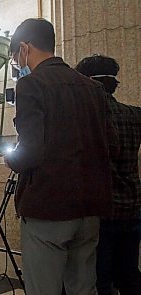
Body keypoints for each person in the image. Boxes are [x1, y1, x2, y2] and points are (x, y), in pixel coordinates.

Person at [2, 19, 118, 295]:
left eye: (16, 58)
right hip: (90, 206)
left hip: (48, 206)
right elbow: (110, 143)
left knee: (44, 289)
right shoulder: (92, 88)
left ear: (24, 48)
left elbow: (30, 150)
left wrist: (11, 158)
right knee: (83, 288)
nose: (17, 64)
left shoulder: (31, 84)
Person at [76, 55, 141, 295]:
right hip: (132, 207)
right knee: (130, 276)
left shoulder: (86, 120)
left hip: (99, 212)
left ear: (88, 82)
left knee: (100, 279)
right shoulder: (135, 115)